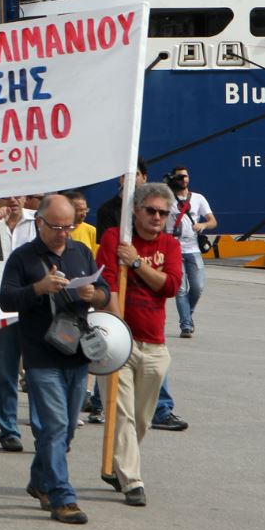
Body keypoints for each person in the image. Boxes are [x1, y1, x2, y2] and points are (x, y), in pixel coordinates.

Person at [0, 195, 110, 525]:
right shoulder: (24, 258)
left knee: (65, 432)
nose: (64, 233)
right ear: (40, 223)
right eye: (57, 227)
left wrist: (95, 294)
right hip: (40, 355)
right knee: (55, 426)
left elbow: (103, 289)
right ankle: (63, 497)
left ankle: (39, 481)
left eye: (69, 226)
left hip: (77, 354)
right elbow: (5, 300)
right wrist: (39, 288)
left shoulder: (81, 252)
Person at [97, 183, 183, 508]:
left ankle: (118, 463)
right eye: (151, 210)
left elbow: (171, 286)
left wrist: (136, 264)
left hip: (156, 345)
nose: (157, 217)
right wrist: (118, 332)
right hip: (122, 342)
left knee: (141, 418)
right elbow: (106, 285)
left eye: (163, 212)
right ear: (136, 210)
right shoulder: (115, 239)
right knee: (122, 417)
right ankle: (133, 480)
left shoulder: (170, 245)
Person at [0, 195, 33, 452]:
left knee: (38, 373)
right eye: (10, 193)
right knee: (4, 373)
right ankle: (8, 429)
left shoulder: (38, 223)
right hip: (1, 310)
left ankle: (41, 429)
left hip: (32, 308)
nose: (14, 199)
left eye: (20, 193)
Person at [165, 166, 215, 338]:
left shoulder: (198, 198)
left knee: (198, 287)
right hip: (173, 249)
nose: (183, 179)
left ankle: (187, 314)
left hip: (193, 249)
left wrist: (203, 225)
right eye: (180, 177)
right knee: (180, 289)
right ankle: (186, 325)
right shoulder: (166, 199)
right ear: (174, 179)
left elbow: (212, 221)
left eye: (186, 176)